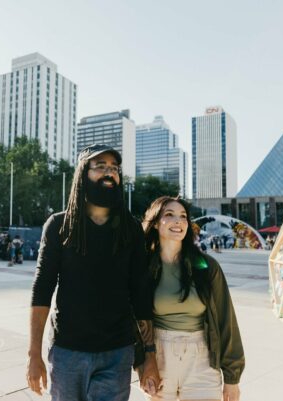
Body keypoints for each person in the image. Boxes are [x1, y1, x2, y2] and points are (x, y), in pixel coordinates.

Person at [27, 144, 160, 401]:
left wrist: (150, 357)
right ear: (82, 174)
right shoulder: (58, 226)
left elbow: (141, 294)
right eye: (100, 167)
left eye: (114, 168)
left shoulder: (131, 230)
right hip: (68, 351)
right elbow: (42, 290)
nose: (109, 173)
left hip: (118, 352)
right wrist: (34, 354)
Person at [142, 196, 245, 401]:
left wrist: (232, 378)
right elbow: (135, 321)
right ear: (154, 223)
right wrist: (143, 363)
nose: (178, 221)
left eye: (183, 216)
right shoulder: (143, 267)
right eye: (169, 215)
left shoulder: (205, 266)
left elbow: (226, 321)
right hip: (159, 356)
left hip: (202, 357)